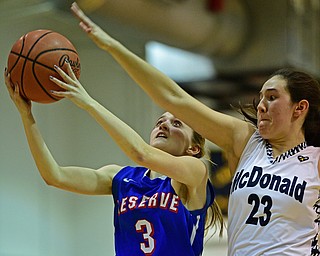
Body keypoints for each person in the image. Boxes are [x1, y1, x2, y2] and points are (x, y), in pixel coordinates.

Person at [69, 1, 320, 255]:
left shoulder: (315, 161)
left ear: (299, 109)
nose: (261, 106)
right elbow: (173, 98)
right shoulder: (244, 141)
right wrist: (112, 45)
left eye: (272, 97)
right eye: (261, 97)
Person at [4, 58, 223, 254]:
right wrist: (26, 115)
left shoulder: (195, 174)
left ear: (193, 149)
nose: (164, 124)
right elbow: (54, 175)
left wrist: (89, 102)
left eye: (176, 124)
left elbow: (140, 153)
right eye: (160, 121)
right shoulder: (121, 178)